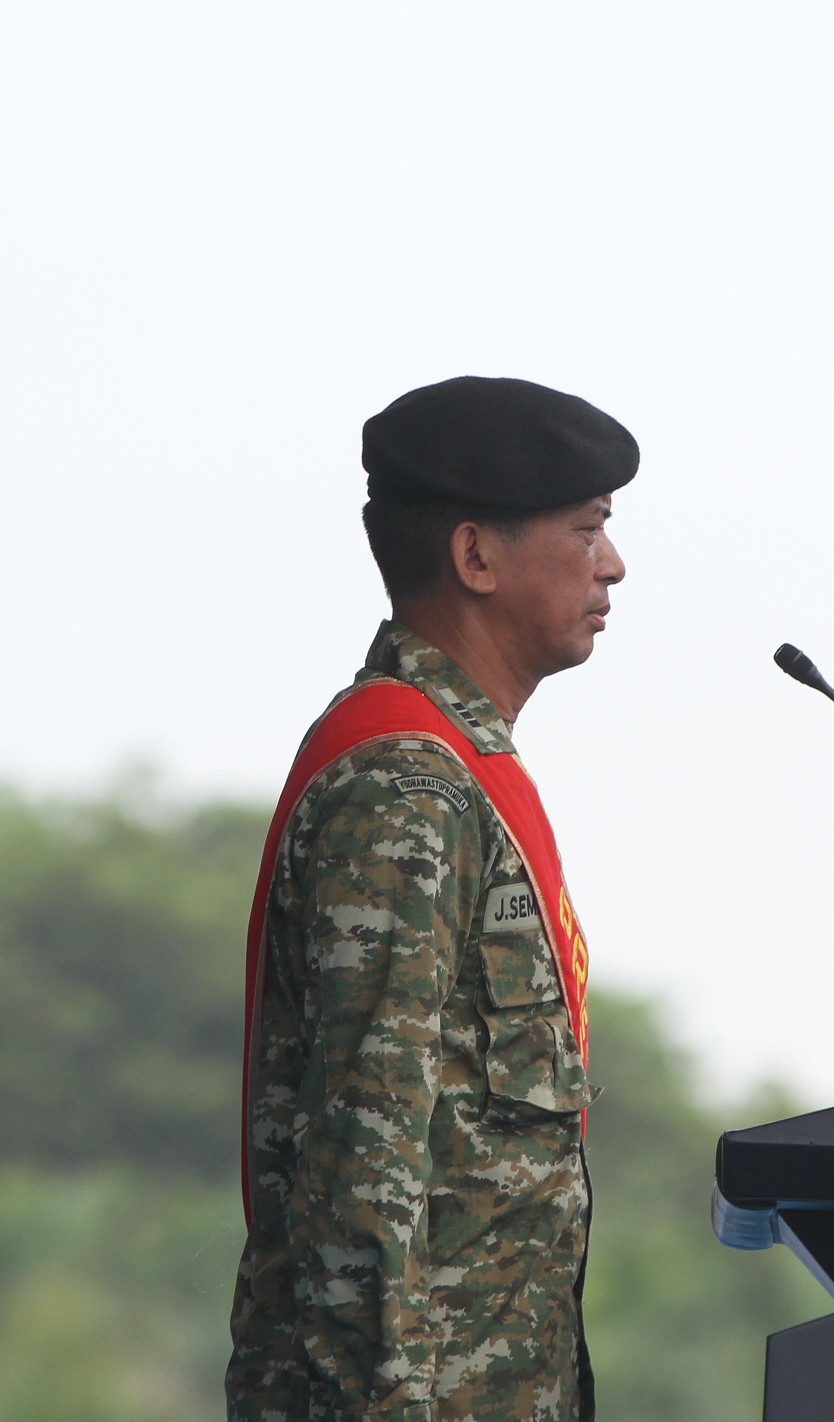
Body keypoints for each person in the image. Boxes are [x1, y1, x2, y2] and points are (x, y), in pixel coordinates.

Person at [226, 375, 635, 1422]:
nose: (614, 565)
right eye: (587, 529)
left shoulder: (456, 773)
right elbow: (362, 1176)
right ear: (475, 556)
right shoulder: (404, 786)